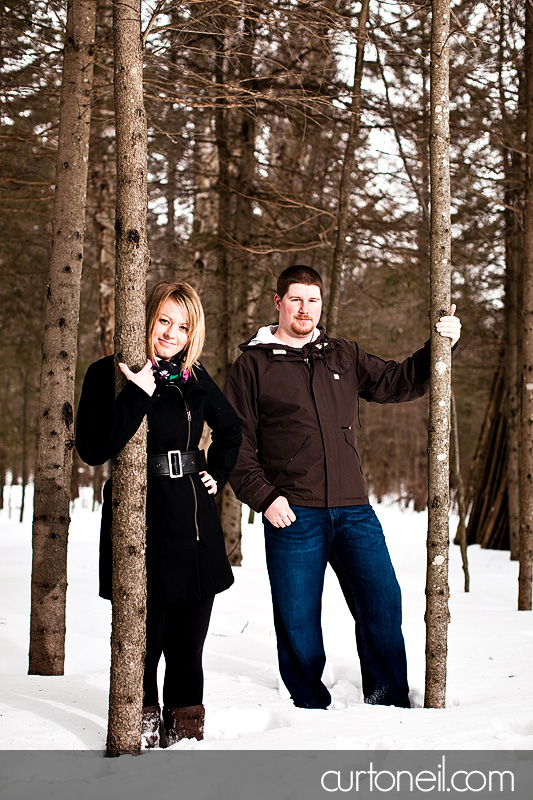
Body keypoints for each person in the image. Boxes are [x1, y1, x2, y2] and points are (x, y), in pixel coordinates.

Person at [224, 265, 461, 711]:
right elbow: (236, 444)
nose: (304, 309)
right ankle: (308, 704)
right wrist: (264, 497)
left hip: (354, 509)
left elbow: (397, 381)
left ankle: (388, 700)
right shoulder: (252, 365)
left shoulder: (342, 354)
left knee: (383, 604)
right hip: (293, 511)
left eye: (312, 300)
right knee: (297, 619)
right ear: (278, 302)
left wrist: (440, 346)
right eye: (295, 299)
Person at [76, 281, 241, 747]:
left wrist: (216, 473)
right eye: (164, 320)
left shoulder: (193, 377)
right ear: (146, 317)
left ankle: (187, 740)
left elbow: (231, 429)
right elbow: (93, 449)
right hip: (140, 523)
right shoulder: (105, 373)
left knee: (188, 650)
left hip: (194, 522)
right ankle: (143, 737)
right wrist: (137, 394)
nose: (171, 333)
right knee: (143, 648)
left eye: (183, 326)